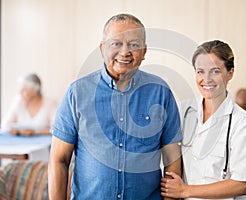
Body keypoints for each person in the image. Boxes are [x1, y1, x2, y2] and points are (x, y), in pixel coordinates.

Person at [48, 13, 182, 199]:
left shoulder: (160, 91)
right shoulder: (77, 93)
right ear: (103, 48)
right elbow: (59, 160)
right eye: (116, 43)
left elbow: (172, 158)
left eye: (134, 45)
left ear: (144, 51)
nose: (125, 51)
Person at [161, 40, 246, 199]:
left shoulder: (242, 122)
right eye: (200, 71)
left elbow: (242, 184)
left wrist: (184, 191)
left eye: (215, 71)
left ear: (230, 73)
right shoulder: (183, 110)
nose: (206, 79)